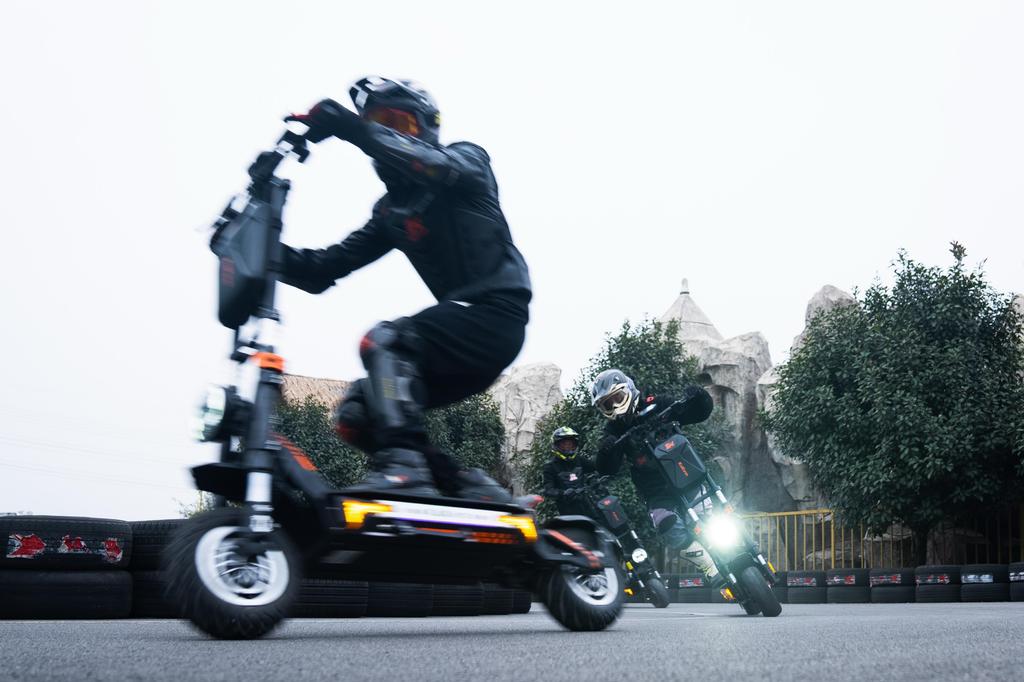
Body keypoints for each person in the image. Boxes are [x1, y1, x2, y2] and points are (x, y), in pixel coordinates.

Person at [280, 77, 531, 501]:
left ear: (428, 126)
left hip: (496, 316)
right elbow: (322, 269)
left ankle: (404, 470)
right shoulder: (392, 212)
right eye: (379, 123)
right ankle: (463, 485)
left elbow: (431, 164)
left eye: (399, 123)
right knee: (359, 412)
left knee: (385, 341)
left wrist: (351, 126)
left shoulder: (468, 161)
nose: (388, 133)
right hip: (459, 340)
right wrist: (257, 250)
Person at [590, 369, 722, 581]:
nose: (614, 406)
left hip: (687, 476)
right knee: (665, 524)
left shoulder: (659, 404)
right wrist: (605, 451)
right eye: (607, 404)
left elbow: (698, 413)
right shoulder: (612, 431)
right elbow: (607, 469)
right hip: (656, 492)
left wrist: (700, 397)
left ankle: (742, 550)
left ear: (629, 389)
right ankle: (708, 566)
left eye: (617, 398)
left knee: (713, 521)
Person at [541, 427, 597, 517]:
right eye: (564, 444)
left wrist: (594, 480)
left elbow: (596, 467)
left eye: (570, 444)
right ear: (556, 445)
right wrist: (563, 493)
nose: (568, 447)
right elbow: (548, 490)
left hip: (589, 504)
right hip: (568, 511)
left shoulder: (580, 460)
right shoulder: (550, 467)